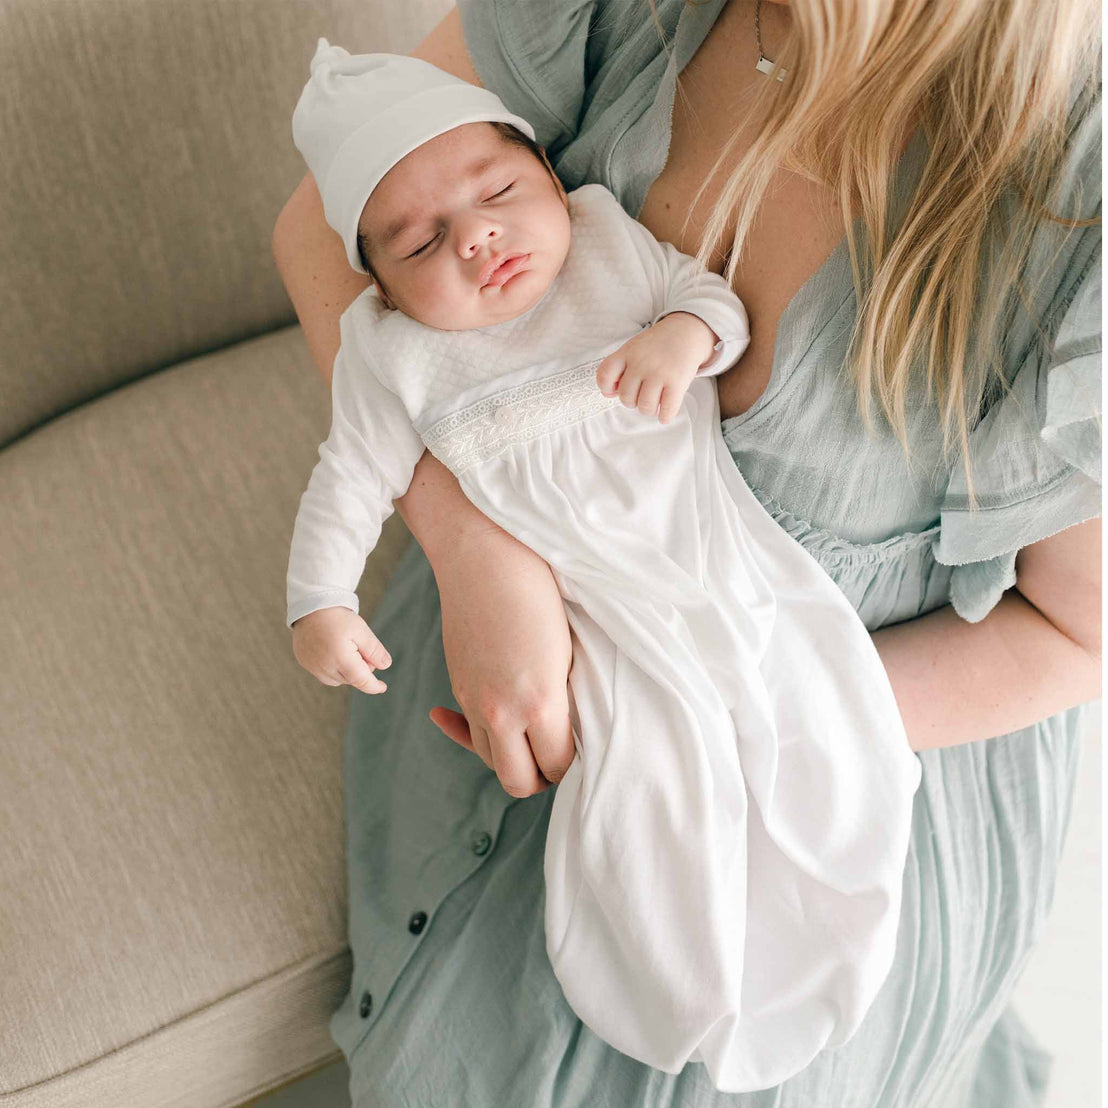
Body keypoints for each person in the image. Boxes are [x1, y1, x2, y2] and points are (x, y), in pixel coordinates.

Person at [271, 1, 1101, 1104]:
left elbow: (1074, 633)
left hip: (820, 770)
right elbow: (315, 232)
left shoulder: (1072, 169)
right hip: (504, 679)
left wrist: (699, 723)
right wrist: (479, 555)